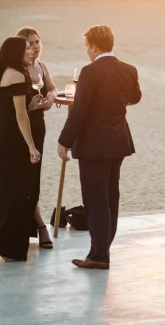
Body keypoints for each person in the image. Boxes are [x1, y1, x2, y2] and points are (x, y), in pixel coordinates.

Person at [58, 24, 141, 270]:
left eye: (87, 46)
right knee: (110, 196)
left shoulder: (90, 72)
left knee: (95, 200)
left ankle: (99, 255)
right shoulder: (129, 69)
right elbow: (135, 97)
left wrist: (64, 141)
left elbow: (80, 111)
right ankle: (103, 248)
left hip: (94, 145)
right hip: (118, 140)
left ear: (94, 46)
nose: (87, 51)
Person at [0, 37, 42, 261]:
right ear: (16, 52)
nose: (31, 51)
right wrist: (32, 146)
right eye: (26, 48)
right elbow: (20, 116)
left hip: (2, 135)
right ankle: (9, 249)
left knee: (7, 190)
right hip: (13, 139)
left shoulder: (4, 72)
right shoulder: (18, 74)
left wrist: (32, 106)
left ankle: (1, 245)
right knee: (18, 192)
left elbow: (12, 110)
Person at [16, 27, 58, 249]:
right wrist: (30, 107)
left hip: (38, 128)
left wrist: (51, 99)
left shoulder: (41, 67)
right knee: (23, 181)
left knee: (33, 180)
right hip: (20, 131)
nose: (35, 47)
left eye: (37, 42)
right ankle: (40, 227)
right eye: (29, 44)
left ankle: (34, 227)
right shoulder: (17, 71)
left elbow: (52, 89)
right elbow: (13, 108)